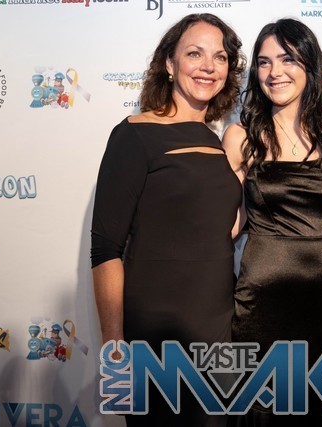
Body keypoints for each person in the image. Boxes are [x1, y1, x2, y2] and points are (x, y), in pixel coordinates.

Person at [222, 18, 322, 426]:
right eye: (264, 62)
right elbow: (227, 227)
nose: (274, 72)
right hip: (261, 305)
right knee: (260, 412)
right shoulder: (241, 137)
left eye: (287, 59)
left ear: (310, 65)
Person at [91, 13, 244, 427]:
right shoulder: (135, 133)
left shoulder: (216, 141)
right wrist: (115, 349)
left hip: (219, 328)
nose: (208, 66)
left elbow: (219, 229)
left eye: (220, 57)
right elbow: (106, 249)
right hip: (157, 333)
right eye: (194, 54)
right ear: (169, 64)